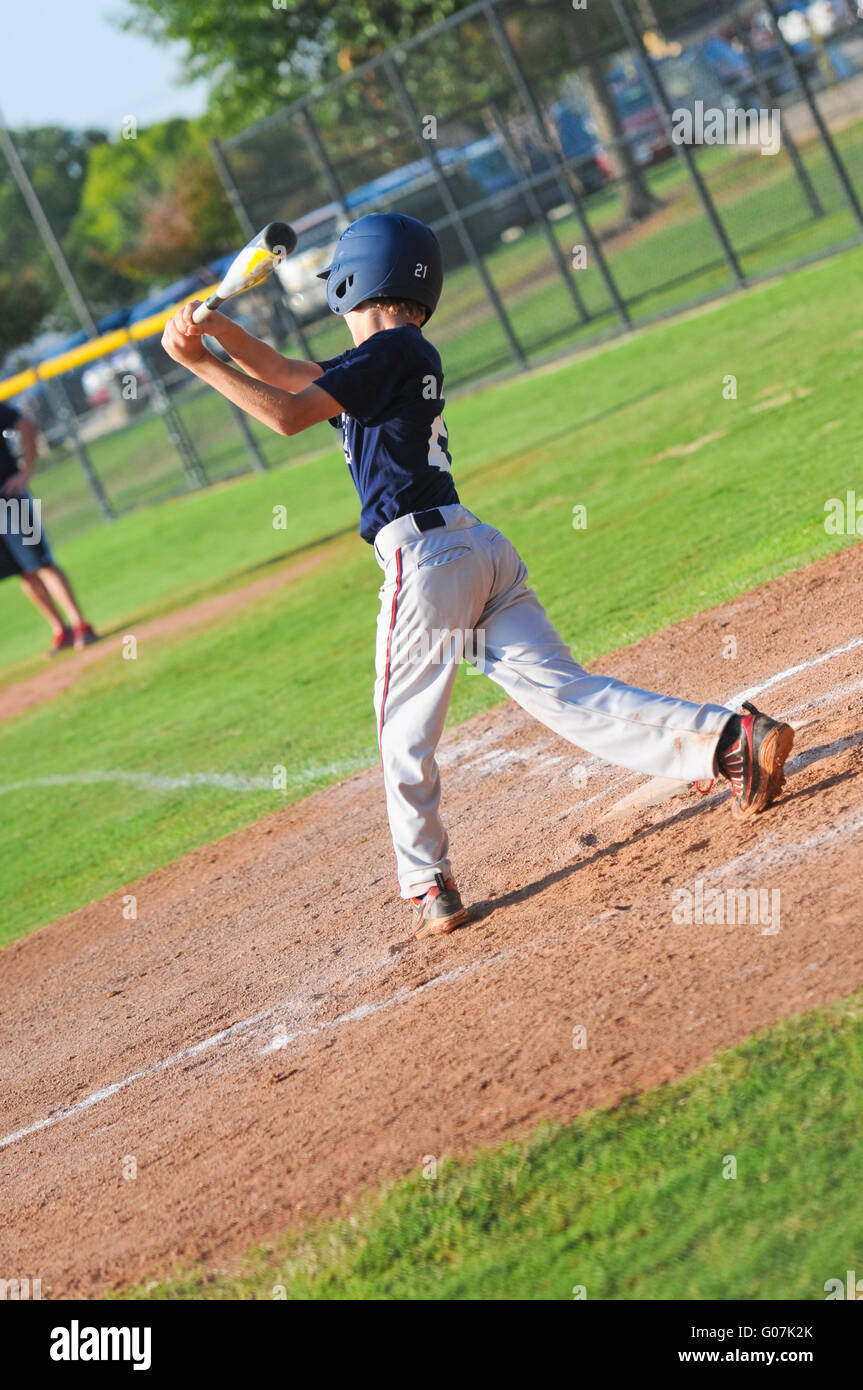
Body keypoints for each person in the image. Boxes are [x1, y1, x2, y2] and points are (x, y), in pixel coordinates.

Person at [161, 213, 794, 940]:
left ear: (354, 277)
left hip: (424, 566)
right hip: (475, 551)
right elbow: (289, 373)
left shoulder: (390, 352)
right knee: (569, 695)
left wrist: (201, 366)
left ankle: (427, 882)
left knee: (403, 732)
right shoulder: (391, 355)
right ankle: (730, 739)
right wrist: (214, 334)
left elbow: (286, 413)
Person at [0, 400, 97, 656]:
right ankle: (60, 630)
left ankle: (80, 625)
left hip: (8, 500)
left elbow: (26, 426)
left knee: (40, 564)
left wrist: (26, 471)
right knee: (23, 573)